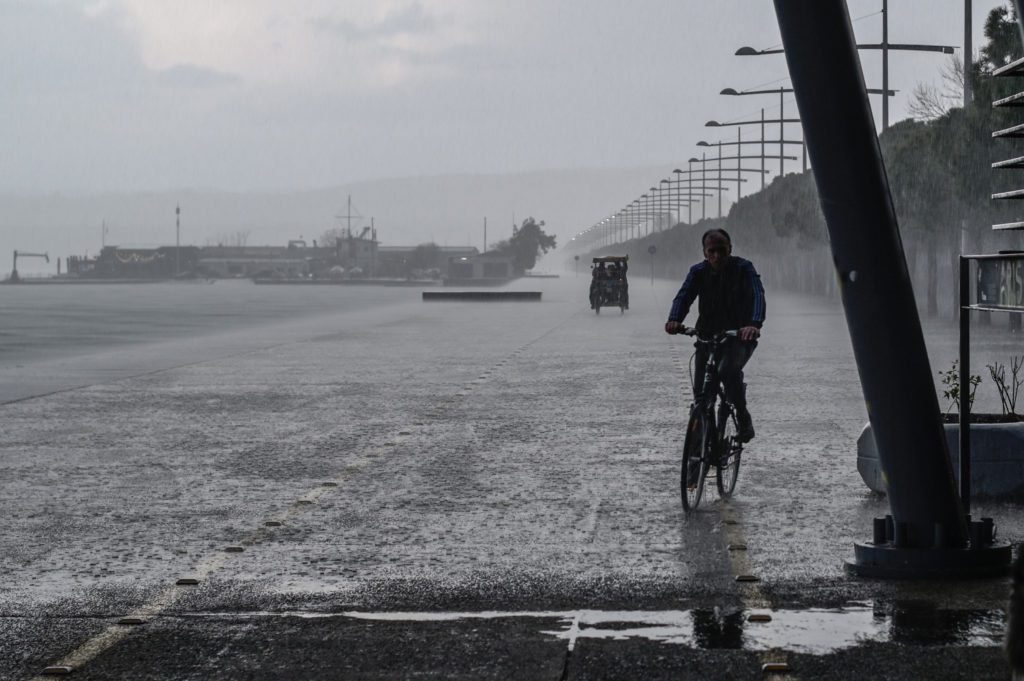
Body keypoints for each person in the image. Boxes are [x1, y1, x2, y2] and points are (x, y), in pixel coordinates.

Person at [664, 228, 765, 443]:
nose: (717, 256)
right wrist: (675, 319)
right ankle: (697, 457)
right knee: (701, 395)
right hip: (706, 338)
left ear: (730, 249)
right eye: (712, 251)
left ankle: (743, 416)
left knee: (728, 370)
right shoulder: (697, 272)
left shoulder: (744, 269)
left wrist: (753, 325)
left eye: (721, 250)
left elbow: (758, 294)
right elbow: (684, 296)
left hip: (738, 338)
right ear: (704, 252)